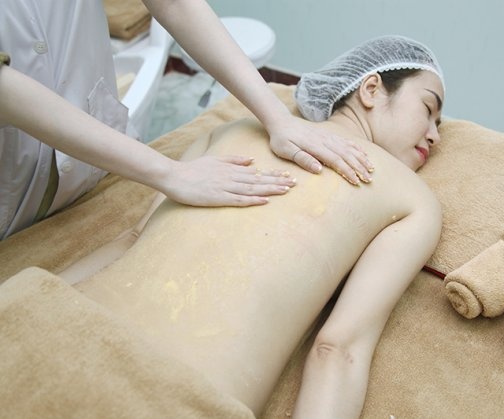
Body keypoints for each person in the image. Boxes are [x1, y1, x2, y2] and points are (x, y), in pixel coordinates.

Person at [69, 35, 445, 418]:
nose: (435, 134)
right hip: (176, 394)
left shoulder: (231, 130)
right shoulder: (412, 198)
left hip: (61, 326)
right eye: (429, 109)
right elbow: (338, 350)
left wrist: (30, 296)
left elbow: (130, 241)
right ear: (371, 89)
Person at [0, 0, 373, 240]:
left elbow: (174, 3)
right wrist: (169, 173)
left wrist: (278, 117)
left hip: (100, 165)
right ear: (371, 89)